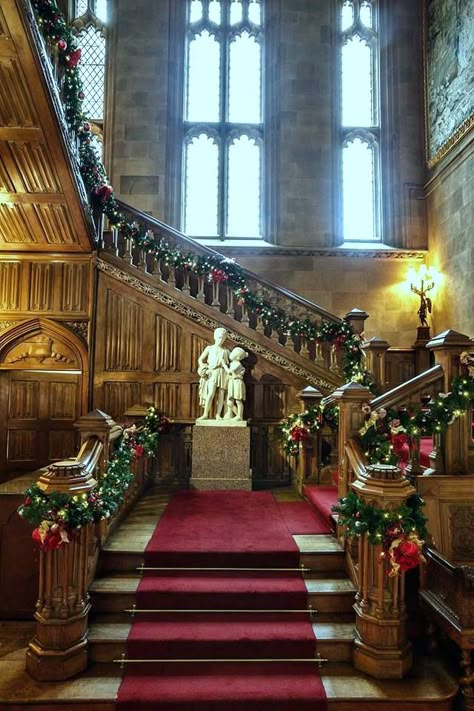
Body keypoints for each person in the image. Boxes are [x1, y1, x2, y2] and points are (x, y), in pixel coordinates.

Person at [197, 328, 230, 420]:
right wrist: (204, 368)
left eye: (223, 338)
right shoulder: (209, 348)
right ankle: (205, 414)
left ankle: (218, 414)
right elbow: (200, 359)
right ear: (215, 337)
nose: (221, 340)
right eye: (219, 337)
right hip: (212, 372)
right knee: (210, 393)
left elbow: (232, 361)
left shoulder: (226, 351)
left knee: (221, 394)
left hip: (222, 373)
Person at [224, 347, 248, 421]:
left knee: (238, 400)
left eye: (233, 353)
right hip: (232, 382)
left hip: (237, 383)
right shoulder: (233, 363)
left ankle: (239, 416)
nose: (231, 353)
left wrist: (223, 364)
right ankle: (239, 415)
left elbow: (229, 371)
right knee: (229, 402)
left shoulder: (237, 364)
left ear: (238, 357)